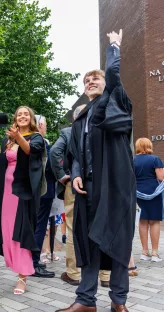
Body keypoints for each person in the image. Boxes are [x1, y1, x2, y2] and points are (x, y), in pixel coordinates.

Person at [57, 29, 135, 312]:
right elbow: (75, 153)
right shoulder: (80, 120)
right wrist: (76, 172)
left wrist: (114, 47)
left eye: (96, 78)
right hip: (88, 189)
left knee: (116, 240)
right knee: (88, 244)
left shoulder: (116, 103)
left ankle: (118, 301)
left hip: (114, 186)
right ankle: (85, 300)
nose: (90, 82)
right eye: (86, 80)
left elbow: (113, 78)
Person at [0, 106, 46, 295]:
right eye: (19, 114)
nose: (22, 116)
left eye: (25, 114)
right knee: (8, 230)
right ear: (15, 118)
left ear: (31, 119)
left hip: (24, 193)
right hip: (6, 192)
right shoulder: (7, 140)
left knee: (22, 232)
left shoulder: (36, 137)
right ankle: (15, 265)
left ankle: (22, 277)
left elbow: (30, 152)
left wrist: (19, 138)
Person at [50, 105, 110, 288]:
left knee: (73, 227)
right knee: (102, 226)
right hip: (100, 185)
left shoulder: (68, 132)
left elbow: (54, 152)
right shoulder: (103, 131)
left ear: (75, 118)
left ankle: (73, 273)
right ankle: (106, 275)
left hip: (74, 185)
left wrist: (61, 175)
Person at [31, 114, 55, 278]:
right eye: (45, 124)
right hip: (44, 191)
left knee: (38, 226)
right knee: (40, 226)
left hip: (38, 191)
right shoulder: (41, 142)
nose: (46, 127)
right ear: (39, 125)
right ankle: (34, 261)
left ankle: (33, 259)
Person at [134, 138, 164, 262]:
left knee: (142, 221)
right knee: (154, 221)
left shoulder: (132, 161)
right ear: (149, 146)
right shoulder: (155, 159)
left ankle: (144, 252)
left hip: (137, 193)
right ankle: (155, 253)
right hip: (154, 193)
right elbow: (161, 177)